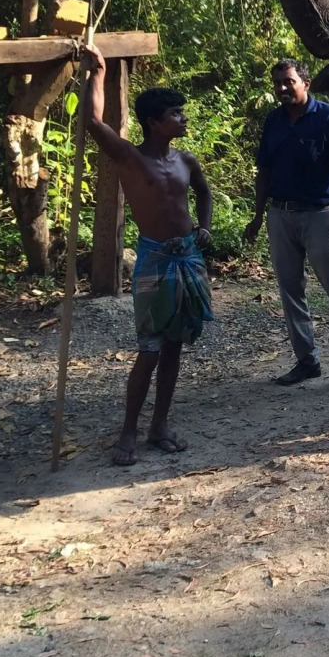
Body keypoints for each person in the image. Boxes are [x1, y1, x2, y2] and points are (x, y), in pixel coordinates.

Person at [83, 45, 214, 467]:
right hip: (155, 260)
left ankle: (159, 425)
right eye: (176, 113)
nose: (184, 118)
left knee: (175, 346)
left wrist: (205, 226)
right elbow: (92, 121)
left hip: (188, 257)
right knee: (151, 348)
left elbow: (204, 192)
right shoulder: (129, 157)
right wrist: (98, 73)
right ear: (154, 122)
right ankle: (128, 430)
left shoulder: (186, 160)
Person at [242, 59, 329, 388]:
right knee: (290, 291)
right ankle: (306, 361)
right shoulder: (273, 121)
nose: (282, 89)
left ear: (306, 83)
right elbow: (265, 172)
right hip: (281, 215)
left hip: (321, 216)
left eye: (288, 82)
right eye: (277, 83)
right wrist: (258, 216)